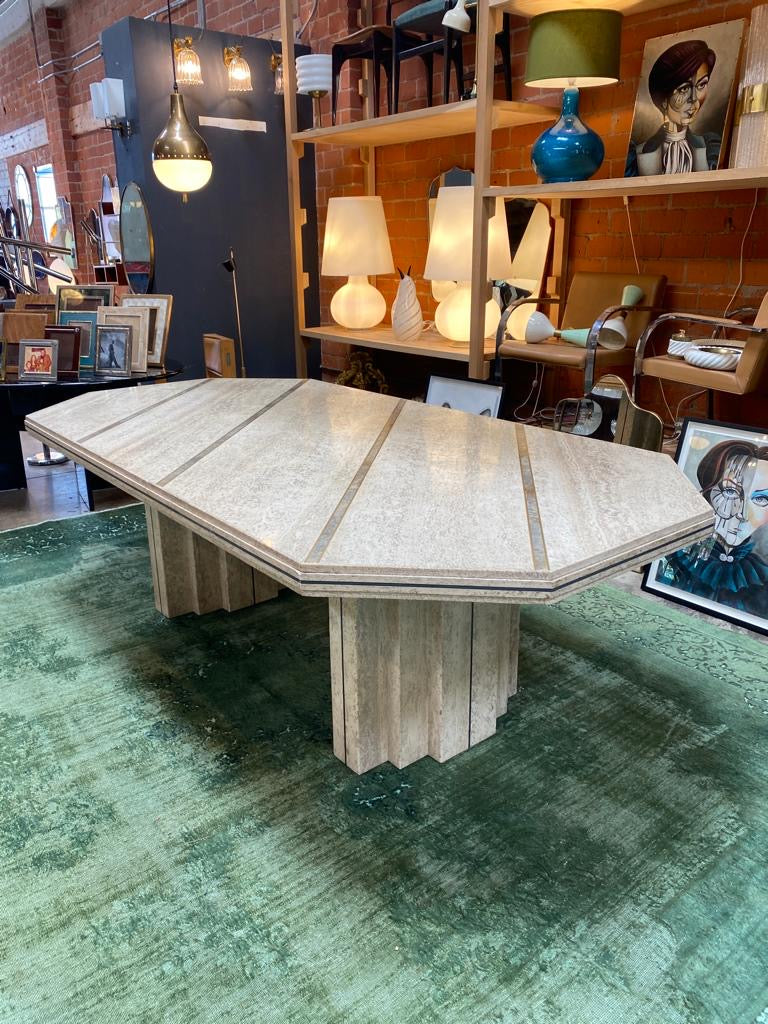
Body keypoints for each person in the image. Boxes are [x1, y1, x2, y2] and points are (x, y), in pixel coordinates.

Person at [660, 438, 768, 619]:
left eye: (761, 499)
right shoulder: (673, 556)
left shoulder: (761, 577)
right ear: (707, 493)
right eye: (730, 491)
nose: (741, 514)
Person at [626, 39, 720, 176]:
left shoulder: (711, 147)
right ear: (663, 99)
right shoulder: (637, 154)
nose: (694, 98)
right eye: (684, 88)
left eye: (701, 85)